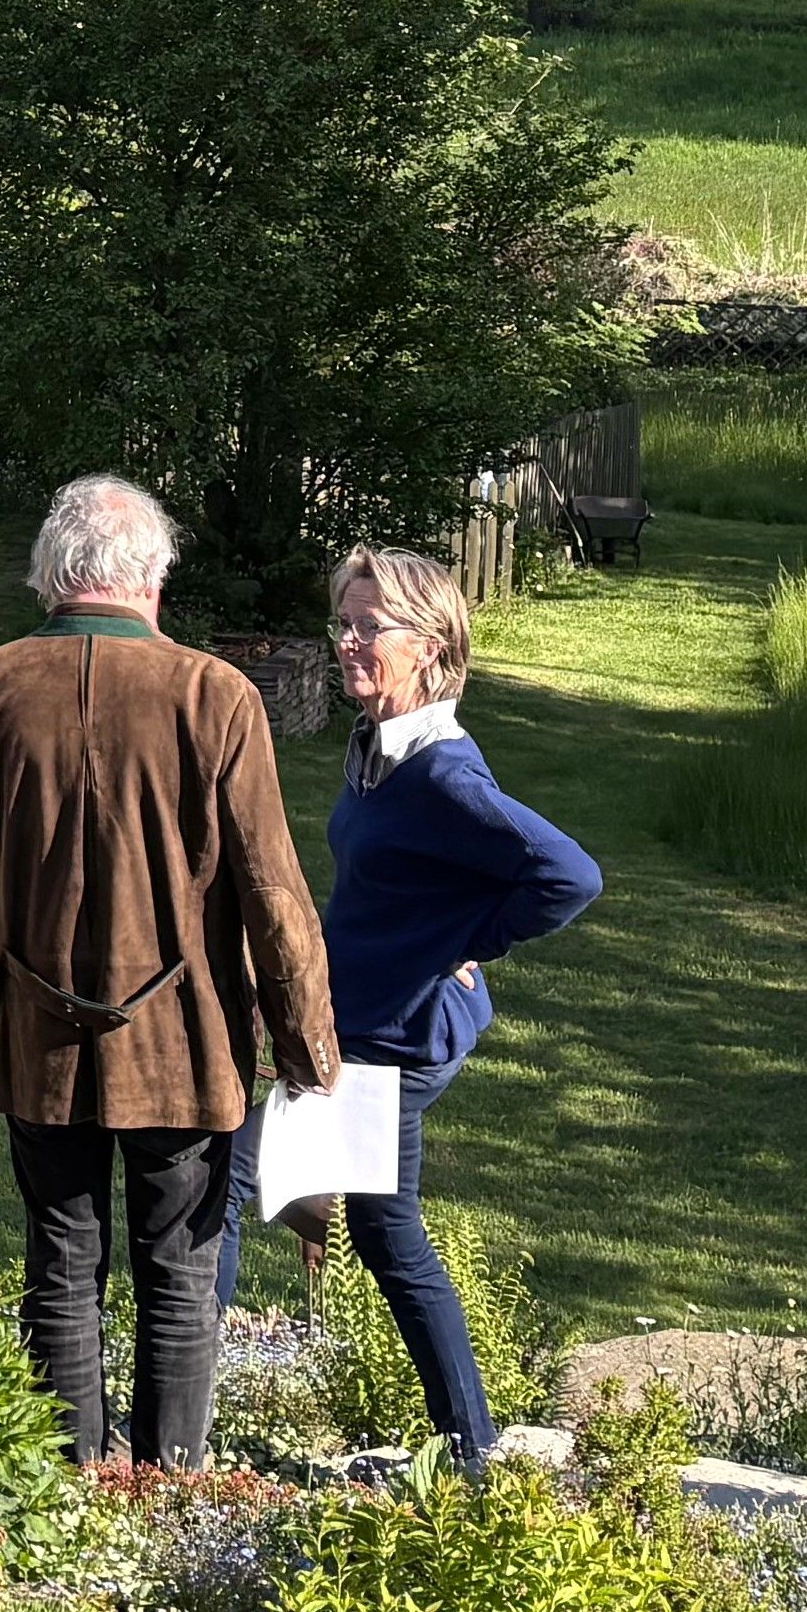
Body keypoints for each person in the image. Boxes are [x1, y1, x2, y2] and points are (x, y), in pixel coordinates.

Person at [0, 473, 336, 1468]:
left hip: (37, 1033)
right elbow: (275, 893)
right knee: (179, 1273)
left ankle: (66, 1491)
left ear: (50, 575)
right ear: (152, 580)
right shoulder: (215, 695)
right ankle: (172, 1489)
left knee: (60, 1262)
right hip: (187, 1042)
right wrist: (311, 1047)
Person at [299, 542, 601, 1467]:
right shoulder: (378, 750)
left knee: (236, 1178)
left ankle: (169, 1452)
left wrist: (471, 942)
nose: (349, 642)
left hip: (397, 1036)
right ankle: (470, 1449)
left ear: (430, 644)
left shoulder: (442, 773)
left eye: (369, 627)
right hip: (365, 1019)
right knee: (386, 1233)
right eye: (342, 623)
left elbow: (570, 873)